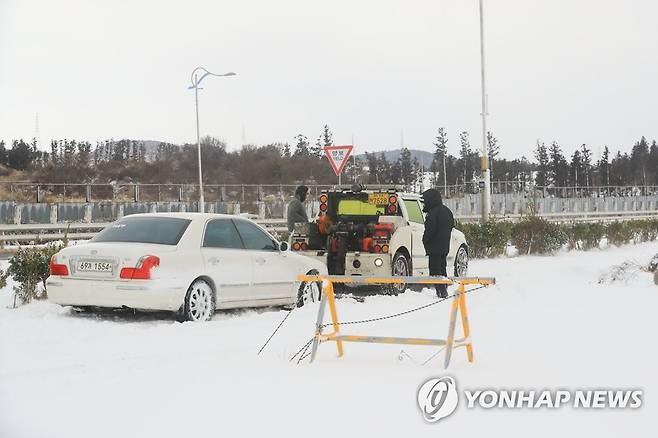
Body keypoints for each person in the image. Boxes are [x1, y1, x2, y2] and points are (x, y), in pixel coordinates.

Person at [421, 188, 454, 298]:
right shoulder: (447, 211)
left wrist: (425, 240)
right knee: (442, 268)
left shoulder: (433, 213)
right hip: (444, 246)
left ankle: (441, 292)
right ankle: (444, 289)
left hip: (433, 247)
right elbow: (451, 226)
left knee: (435, 270)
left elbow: (430, 231)